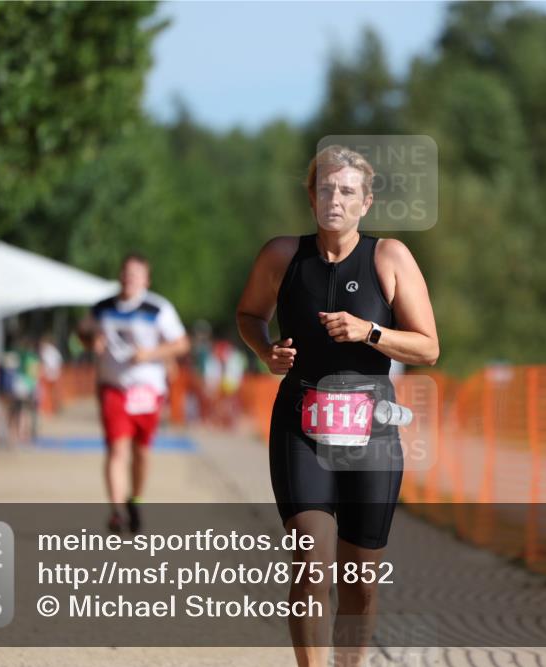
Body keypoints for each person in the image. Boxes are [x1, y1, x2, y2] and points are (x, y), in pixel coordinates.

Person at [236, 145, 440, 667]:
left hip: (371, 432)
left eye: (347, 190)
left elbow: (428, 346)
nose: (335, 198)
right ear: (311, 196)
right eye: (326, 188)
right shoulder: (282, 256)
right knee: (310, 561)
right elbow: (249, 314)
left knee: (360, 580)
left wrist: (369, 331)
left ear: (365, 201)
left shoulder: (389, 257)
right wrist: (265, 350)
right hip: (301, 426)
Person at [78, 254, 190, 533]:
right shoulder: (102, 308)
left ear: (146, 280)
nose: (130, 279)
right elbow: (82, 331)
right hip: (113, 387)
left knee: (141, 452)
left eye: (136, 274)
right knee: (117, 449)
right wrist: (92, 340)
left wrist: (151, 354)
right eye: (126, 273)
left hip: (148, 390)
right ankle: (116, 511)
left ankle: (135, 499)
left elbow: (181, 344)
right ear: (120, 276)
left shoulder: (158, 308)